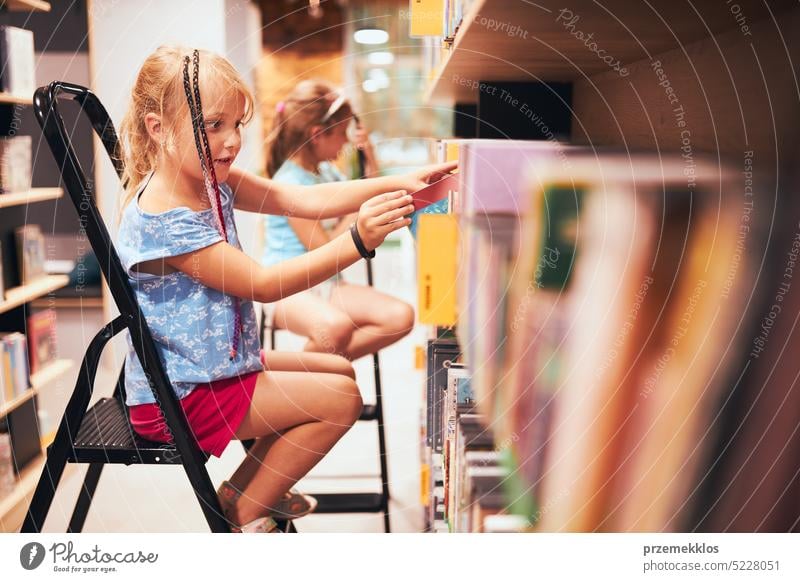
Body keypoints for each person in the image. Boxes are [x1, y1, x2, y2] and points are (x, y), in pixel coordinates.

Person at [114, 46, 456, 533]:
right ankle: (246, 515)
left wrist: (400, 182)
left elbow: (300, 197)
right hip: (181, 396)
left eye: (237, 124)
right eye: (214, 125)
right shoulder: (166, 223)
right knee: (341, 401)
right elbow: (264, 284)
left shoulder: (213, 179)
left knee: (337, 367)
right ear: (157, 128)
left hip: (212, 369)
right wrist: (359, 240)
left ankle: (238, 495)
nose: (232, 141)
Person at [263, 80, 414, 360]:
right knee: (334, 329)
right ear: (317, 134)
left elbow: (364, 196)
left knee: (399, 317)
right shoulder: (288, 183)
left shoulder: (325, 173)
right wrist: (359, 216)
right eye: (342, 133)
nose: (346, 141)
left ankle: (321, 370)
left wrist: (369, 155)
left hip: (328, 285)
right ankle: (306, 383)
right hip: (287, 288)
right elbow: (323, 250)